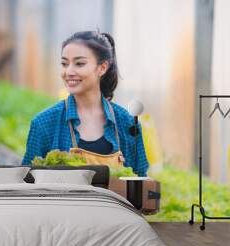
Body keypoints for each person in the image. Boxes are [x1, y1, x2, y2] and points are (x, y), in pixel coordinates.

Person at [21, 31, 149, 176]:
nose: (69, 71)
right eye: (64, 64)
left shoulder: (127, 122)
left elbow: (141, 182)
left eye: (79, 63)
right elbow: (27, 183)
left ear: (102, 68)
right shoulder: (44, 123)